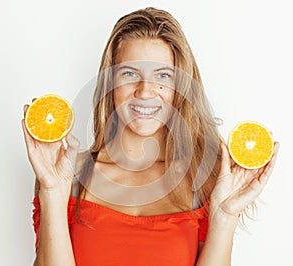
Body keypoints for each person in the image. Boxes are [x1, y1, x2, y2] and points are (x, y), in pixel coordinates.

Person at [22, 7, 279, 266]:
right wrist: (53, 192)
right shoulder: (68, 175)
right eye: (130, 74)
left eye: (163, 76)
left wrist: (224, 217)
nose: (145, 91)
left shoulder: (204, 181)